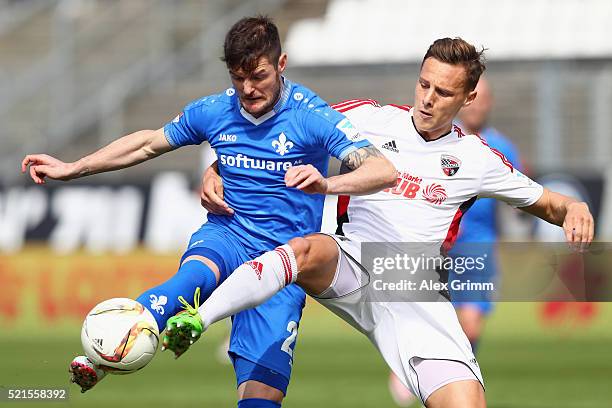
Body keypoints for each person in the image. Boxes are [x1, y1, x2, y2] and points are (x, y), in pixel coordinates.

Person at [165, 37, 594, 408]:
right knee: (305, 249)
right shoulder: (369, 118)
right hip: (349, 260)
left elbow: (551, 203)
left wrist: (575, 209)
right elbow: (282, 128)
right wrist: (218, 169)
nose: (427, 98)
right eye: (424, 84)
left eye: (443, 92)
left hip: (413, 287)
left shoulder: (478, 158)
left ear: (466, 98)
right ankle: (199, 320)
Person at [21, 16, 396, 407]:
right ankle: (106, 353)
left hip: (282, 265)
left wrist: (327, 185)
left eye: (258, 76)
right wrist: (72, 168)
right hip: (228, 235)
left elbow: (382, 170)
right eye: (238, 78)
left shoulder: (310, 115)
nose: (248, 89)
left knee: (260, 398)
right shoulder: (214, 110)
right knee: (191, 280)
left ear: (281, 64)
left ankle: (115, 348)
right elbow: (148, 144)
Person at [387, 76, 524, 407]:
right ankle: (424, 368)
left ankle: (452, 378)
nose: (477, 105)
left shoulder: (502, 149)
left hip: (479, 249)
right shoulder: (443, 142)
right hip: (437, 250)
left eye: (483, 99)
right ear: (464, 100)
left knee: (471, 328)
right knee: (426, 319)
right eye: (473, 99)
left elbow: (521, 196)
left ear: (486, 101)